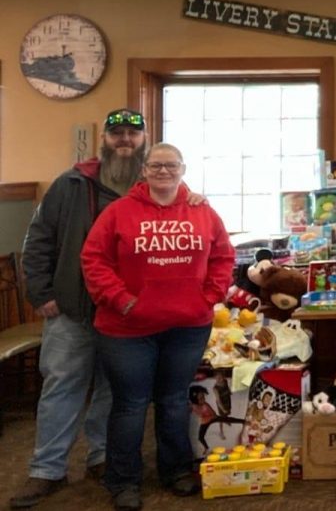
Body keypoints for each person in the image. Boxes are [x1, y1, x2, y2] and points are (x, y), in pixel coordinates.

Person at [81, 142, 235, 511]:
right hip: (126, 329)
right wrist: (122, 299)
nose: (163, 171)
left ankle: (176, 470)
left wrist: (208, 297)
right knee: (131, 404)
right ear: (144, 170)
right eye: (155, 165)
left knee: (172, 400)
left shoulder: (203, 211)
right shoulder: (119, 212)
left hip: (187, 325)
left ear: (182, 169)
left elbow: (223, 256)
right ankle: (123, 481)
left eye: (171, 165)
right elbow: (94, 259)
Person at [11, 108, 148, 509]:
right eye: (117, 133)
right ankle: (46, 470)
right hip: (72, 310)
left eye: (132, 135)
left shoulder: (154, 183)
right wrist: (41, 294)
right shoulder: (70, 184)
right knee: (62, 389)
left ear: (145, 140)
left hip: (127, 313)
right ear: (104, 138)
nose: (125, 140)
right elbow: (38, 241)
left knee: (113, 390)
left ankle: (102, 459)